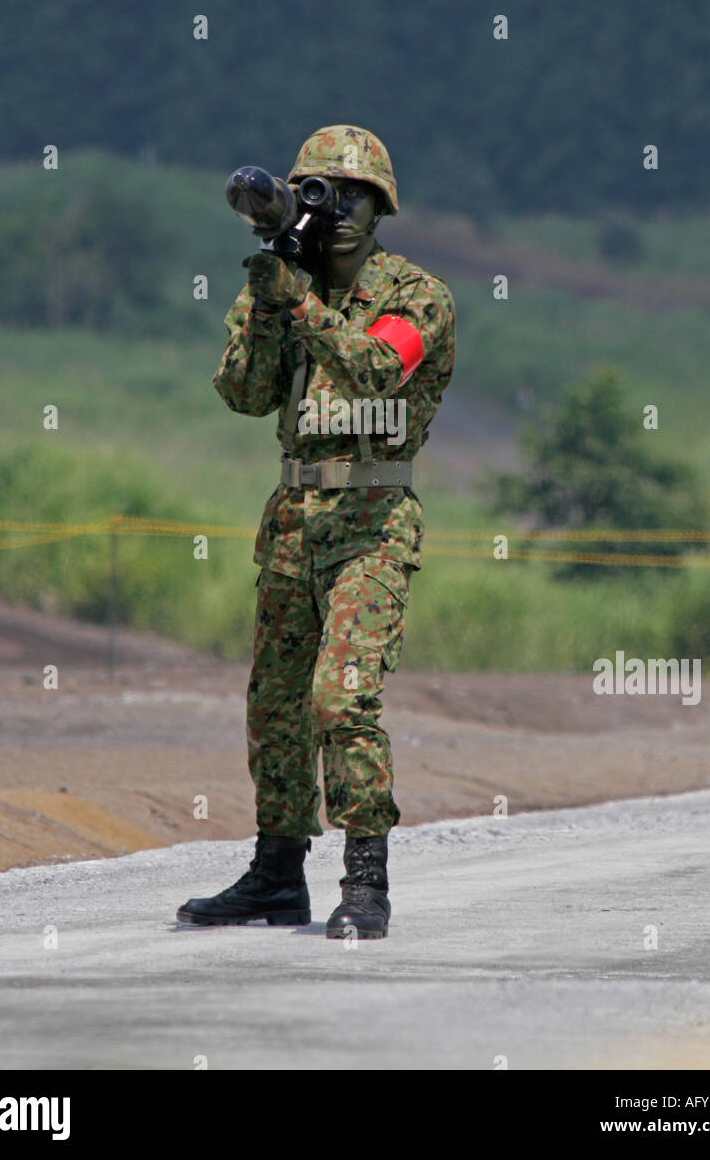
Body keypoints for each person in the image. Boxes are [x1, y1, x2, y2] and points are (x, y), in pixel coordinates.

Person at [177, 125, 455, 939]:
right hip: (294, 517)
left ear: (381, 207)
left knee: (342, 697)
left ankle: (366, 883)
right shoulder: (286, 284)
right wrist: (269, 303)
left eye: (353, 196)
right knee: (275, 706)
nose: (334, 210)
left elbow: (376, 368)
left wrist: (297, 303)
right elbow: (244, 393)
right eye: (319, 194)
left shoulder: (416, 295)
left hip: (372, 518)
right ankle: (275, 875)